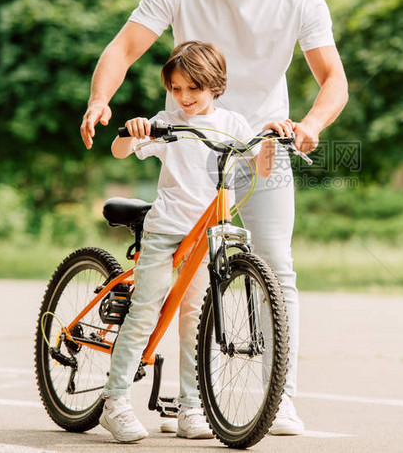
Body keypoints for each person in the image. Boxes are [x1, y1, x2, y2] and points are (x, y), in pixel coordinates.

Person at [81, 0, 348, 435]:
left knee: (274, 264)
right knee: (188, 277)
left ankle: (282, 397)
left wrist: (312, 126)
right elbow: (124, 48)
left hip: (261, 143)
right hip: (193, 139)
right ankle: (185, 402)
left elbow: (333, 80)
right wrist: (99, 99)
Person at [100, 40, 289, 442]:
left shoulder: (234, 125)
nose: (184, 98)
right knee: (146, 310)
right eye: (176, 89)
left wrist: (272, 136)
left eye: (194, 89)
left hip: (208, 236)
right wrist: (133, 129)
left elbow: (264, 167)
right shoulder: (167, 123)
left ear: (215, 86)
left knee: (192, 323)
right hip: (167, 230)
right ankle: (114, 402)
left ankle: (191, 408)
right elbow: (121, 151)